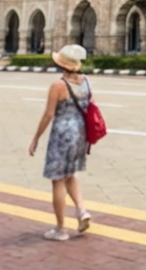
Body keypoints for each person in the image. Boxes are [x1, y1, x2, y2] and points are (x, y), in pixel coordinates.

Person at [28, 43, 93, 241]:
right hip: (80, 133)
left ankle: (60, 229)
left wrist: (36, 138)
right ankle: (82, 211)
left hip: (62, 135)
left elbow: (48, 115)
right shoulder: (85, 81)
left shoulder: (58, 85)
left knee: (57, 179)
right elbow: (90, 107)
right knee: (70, 174)